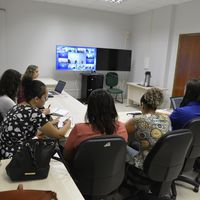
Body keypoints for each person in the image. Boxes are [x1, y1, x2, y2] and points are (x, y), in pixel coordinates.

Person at [0, 77, 71, 159]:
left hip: (4, 150)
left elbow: (25, 129)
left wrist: (50, 124)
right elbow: (59, 134)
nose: (46, 100)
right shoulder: (34, 113)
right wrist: (68, 124)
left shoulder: (17, 107)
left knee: (43, 136)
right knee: (56, 144)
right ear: (36, 99)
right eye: (45, 97)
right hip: (16, 156)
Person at [63, 89, 128, 162]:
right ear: (112, 107)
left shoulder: (79, 129)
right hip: (113, 171)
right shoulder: (122, 128)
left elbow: (66, 156)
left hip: (83, 171)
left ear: (90, 108)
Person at [125, 88, 171, 169]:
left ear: (142, 104)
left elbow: (123, 131)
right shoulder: (166, 118)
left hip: (145, 163)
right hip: (162, 162)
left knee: (122, 147)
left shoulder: (137, 120)